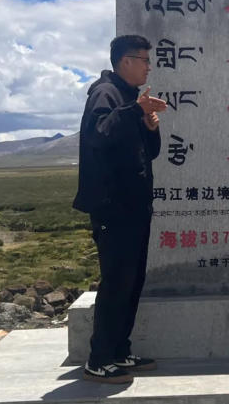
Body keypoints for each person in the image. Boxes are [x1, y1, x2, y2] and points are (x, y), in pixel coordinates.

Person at [73, 34, 167, 384]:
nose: (148, 67)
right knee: (116, 282)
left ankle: (119, 350)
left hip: (135, 206)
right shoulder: (105, 93)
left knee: (132, 281)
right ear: (125, 61)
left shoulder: (128, 98)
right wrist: (136, 111)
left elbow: (148, 153)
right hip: (114, 207)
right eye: (144, 60)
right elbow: (98, 134)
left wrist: (150, 127)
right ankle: (98, 359)